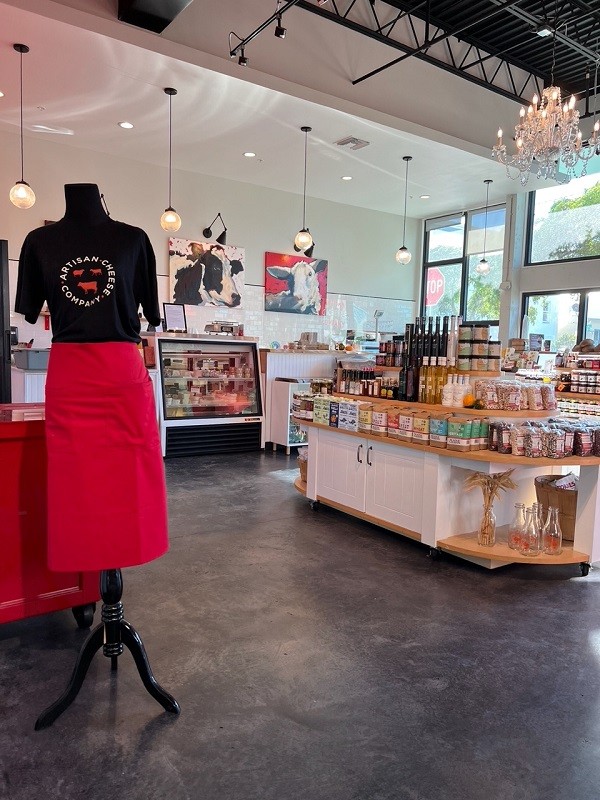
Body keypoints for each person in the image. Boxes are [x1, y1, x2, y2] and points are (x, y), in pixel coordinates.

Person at [15, 183, 169, 572]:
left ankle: (123, 556)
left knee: (131, 475)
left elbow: (153, 313)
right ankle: (82, 560)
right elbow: (30, 311)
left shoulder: (135, 240)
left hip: (121, 376)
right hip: (73, 378)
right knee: (73, 480)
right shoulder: (38, 242)